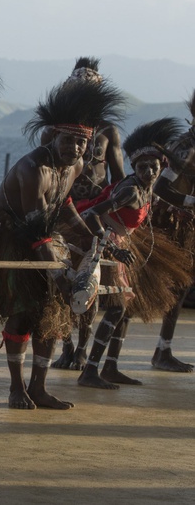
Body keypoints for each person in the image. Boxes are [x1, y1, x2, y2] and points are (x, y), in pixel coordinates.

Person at [0, 77, 124, 409]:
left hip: (43, 237)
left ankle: (38, 388)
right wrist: (60, 276)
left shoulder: (77, 164)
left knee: (50, 315)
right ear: (54, 136)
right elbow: (36, 227)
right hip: (14, 239)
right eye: (68, 141)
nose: (75, 149)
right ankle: (17, 388)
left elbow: (65, 205)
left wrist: (90, 235)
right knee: (24, 312)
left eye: (81, 144)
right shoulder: (33, 169)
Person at [76, 118, 193, 388]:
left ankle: (110, 367)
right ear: (134, 167)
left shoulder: (147, 188)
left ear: (161, 166)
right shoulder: (129, 190)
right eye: (143, 167)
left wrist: (179, 210)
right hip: (111, 246)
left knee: (124, 309)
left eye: (154, 167)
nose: (149, 172)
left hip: (125, 245)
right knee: (118, 308)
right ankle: (90, 371)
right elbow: (91, 213)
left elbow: (154, 203)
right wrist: (112, 246)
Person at [53, 57, 125, 370]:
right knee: (58, 284)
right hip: (62, 216)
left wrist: (115, 212)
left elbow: (120, 179)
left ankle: (83, 348)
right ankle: (65, 346)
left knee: (91, 284)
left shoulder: (108, 131)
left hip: (94, 218)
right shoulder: (55, 129)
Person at [150, 90, 195, 372]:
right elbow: (160, 187)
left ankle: (163, 350)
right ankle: (161, 352)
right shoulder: (187, 147)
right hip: (176, 227)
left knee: (182, 287)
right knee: (178, 286)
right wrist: (190, 201)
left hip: (188, 226)